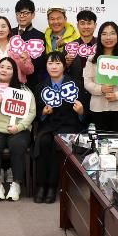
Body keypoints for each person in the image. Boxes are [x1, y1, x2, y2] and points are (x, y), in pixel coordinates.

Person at [0, 57, 36, 201]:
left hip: (19, 129)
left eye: (9, 68)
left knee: (17, 144)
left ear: (14, 72)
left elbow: (31, 112)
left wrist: (19, 127)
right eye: (1, 66)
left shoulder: (23, 89)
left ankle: (16, 183)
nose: (4, 70)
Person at [33, 52, 83, 203]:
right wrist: (43, 113)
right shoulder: (40, 86)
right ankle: (40, 186)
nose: (53, 67)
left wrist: (81, 112)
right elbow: (36, 113)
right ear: (46, 66)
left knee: (58, 144)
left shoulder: (76, 85)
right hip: (48, 126)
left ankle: (52, 187)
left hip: (68, 126)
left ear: (64, 66)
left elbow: (84, 112)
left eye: (57, 63)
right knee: (43, 142)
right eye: (50, 63)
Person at [83, 21, 118, 132]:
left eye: (112, 33)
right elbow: (87, 82)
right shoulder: (92, 59)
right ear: (99, 37)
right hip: (98, 109)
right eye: (104, 34)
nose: (108, 37)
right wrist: (101, 89)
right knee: (100, 140)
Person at [0, 16, 34, 84]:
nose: (0, 29)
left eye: (3, 26)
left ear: (9, 30)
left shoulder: (19, 48)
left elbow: (29, 71)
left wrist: (22, 62)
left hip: (17, 88)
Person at [65, 9, 97, 114]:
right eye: (82, 23)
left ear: (95, 25)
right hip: (76, 92)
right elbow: (61, 73)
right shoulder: (70, 46)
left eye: (89, 23)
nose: (86, 27)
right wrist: (66, 64)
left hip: (97, 92)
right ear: (77, 25)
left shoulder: (101, 46)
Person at [12, 0, 47, 90]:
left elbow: (41, 64)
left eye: (25, 13)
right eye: (19, 13)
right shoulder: (9, 33)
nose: (21, 16)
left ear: (33, 15)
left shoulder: (40, 36)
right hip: (10, 82)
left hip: (32, 84)